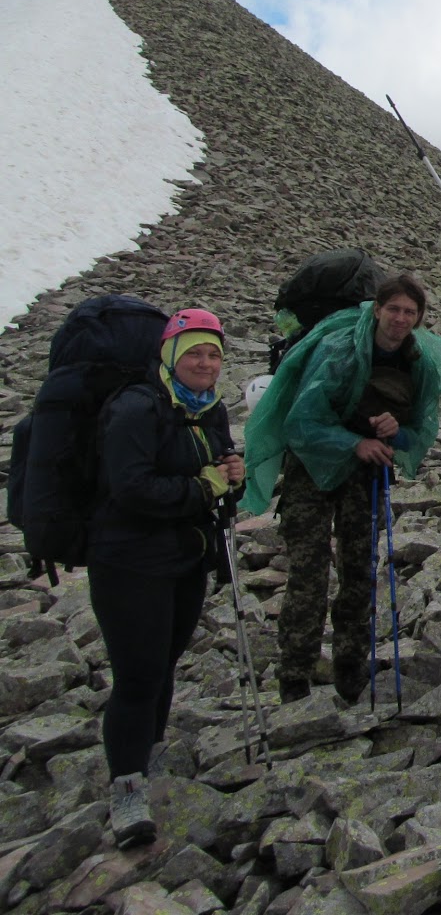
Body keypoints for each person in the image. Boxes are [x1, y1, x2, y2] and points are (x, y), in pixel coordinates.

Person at [91, 308, 243, 849]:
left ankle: (150, 752)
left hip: (182, 558)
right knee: (137, 675)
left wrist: (231, 477)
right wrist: (205, 487)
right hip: (129, 562)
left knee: (165, 661)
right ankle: (127, 788)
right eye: (194, 354)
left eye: (212, 355)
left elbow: (216, 480)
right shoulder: (137, 409)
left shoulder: (210, 410)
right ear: (171, 357)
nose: (204, 363)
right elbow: (130, 488)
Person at [265, 275, 441, 704]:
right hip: (311, 470)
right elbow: (301, 421)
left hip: (363, 476)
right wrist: (355, 443)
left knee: (360, 572)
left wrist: (395, 431)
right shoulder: (339, 351)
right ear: (377, 309)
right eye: (394, 309)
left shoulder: (416, 363)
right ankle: (295, 676)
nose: (401, 319)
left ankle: (351, 668)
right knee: (309, 574)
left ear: (419, 318)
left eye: (410, 312)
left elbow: (420, 430)